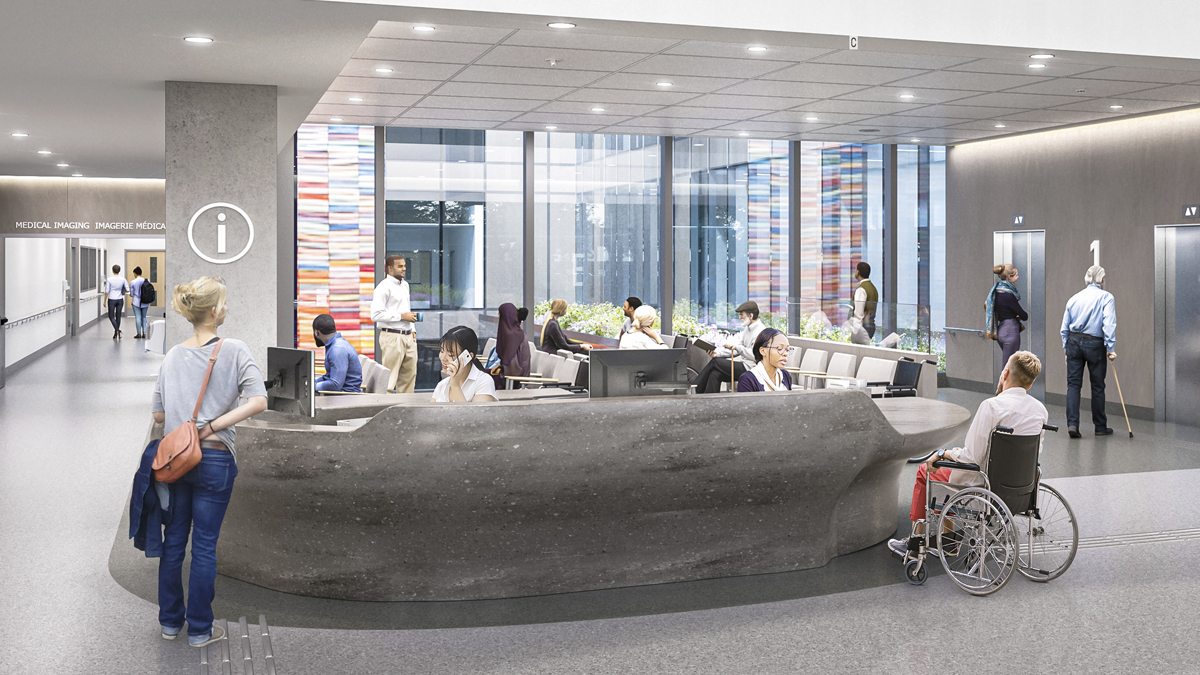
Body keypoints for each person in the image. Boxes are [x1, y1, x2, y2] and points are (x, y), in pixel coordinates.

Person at [151, 276, 268, 647]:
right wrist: (212, 425)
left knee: (174, 544)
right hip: (215, 458)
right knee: (203, 545)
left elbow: (158, 416)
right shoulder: (233, 349)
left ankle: (170, 624)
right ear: (215, 311)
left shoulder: (171, 355)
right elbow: (258, 401)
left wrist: (185, 418)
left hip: (175, 462)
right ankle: (200, 630)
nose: (227, 308)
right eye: (224, 303)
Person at [888, 351, 1048, 558]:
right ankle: (948, 541)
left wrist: (943, 453)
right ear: (1030, 385)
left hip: (984, 487)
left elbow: (971, 458)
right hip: (1020, 491)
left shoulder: (992, 406)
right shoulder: (1040, 410)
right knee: (950, 473)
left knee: (925, 471)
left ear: (1005, 373)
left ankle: (915, 543)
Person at [1060, 265, 1116, 438]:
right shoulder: (1107, 297)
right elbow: (1109, 323)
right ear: (1102, 279)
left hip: (1073, 343)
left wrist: (1066, 348)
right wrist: (1110, 347)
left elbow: (1064, 327)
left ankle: (1072, 425)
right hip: (1095, 344)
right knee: (1098, 386)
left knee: (1073, 385)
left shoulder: (1074, 298)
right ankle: (1100, 427)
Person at [691, 300, 766, 394]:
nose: (740, 317)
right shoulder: (747, 329)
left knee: (715, 362)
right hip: (744, 366)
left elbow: (756, 356)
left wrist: (737, 347)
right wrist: (718, 353)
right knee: (715, 373)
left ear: (750, 316)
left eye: (742, 314)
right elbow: (736, 351)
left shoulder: (761, 331)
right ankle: (709, 403)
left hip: (751, 368)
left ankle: (694, 390)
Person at [370, 255, 419, 393]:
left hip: (409, 336)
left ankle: (406, 411)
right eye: (400, 266)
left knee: (409, 378)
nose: (404, 268)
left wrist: (413, 329)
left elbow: (406, 310)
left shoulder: (405, 285)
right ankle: (388, 411)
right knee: (389, 381)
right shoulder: (383, 287)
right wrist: (401, 317)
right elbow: (375, 315)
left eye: (404, 265)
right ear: (390, 268)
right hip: (392, 337)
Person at [432, 326, 498, 403]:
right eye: (442, 351)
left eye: (451, 355)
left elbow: (475, 414)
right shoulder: (442, 385)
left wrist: (455, 386)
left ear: (468, 356)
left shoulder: (484, 381)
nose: (443, 358)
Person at [985, 263, 1028, 367]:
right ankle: (1004, 384)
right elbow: (1024, 315)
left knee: (1009, 366)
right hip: (1010, 330)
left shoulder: (997, 292)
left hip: (1001, 330)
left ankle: (1006, 383)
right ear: (1009, 277)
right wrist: (1018, 315)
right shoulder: (1008, 295)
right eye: (1016, 275)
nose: (1018, 277)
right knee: (1009, 367)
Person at [312, 313, 362, 393]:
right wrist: (311, 383)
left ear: (316, 332)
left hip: (346, 397)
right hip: (340, 394)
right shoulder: (334, 345)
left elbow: (335, 384)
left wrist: (312, 387)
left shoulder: (337, 349)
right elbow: (329, 376)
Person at [737, 328, 793, 392]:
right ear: (763, 351)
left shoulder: (785, 375)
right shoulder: (747, 380)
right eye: (779, 348)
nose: (785, 354)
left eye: (787, 349)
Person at [491, 303, 531, 389]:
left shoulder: (512, 336)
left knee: (482, 378)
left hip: (515, 380)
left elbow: (513, 369)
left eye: (499, 314)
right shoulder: (515, 333)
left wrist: (501, 372)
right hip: (512, 377)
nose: (498, 317)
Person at [852, 262, 879, 340]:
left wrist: (855, 331)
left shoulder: (861, 289)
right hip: (870, 327)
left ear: (858, 272)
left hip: (862, 328)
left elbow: (858, 314)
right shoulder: (873, 288)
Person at [104, 264, 130, 339]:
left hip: (112, 299)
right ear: (119, 271)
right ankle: (116, 332)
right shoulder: (123, 279)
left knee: (111, 316)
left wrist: (104, 301)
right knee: (118, 316)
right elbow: (128, 290)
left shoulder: (109, 279)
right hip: (120, 299)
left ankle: (117, 330)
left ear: (112, 271)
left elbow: (107, 291)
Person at [130, 266, 152, 339]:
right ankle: (145, 333)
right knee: (144, 317)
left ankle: (139, 333)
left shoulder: (132, 282)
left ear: (135, 273)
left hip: (136, 302)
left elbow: (131, 294)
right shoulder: (147, 281)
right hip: (145, 302)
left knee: (138, 317)